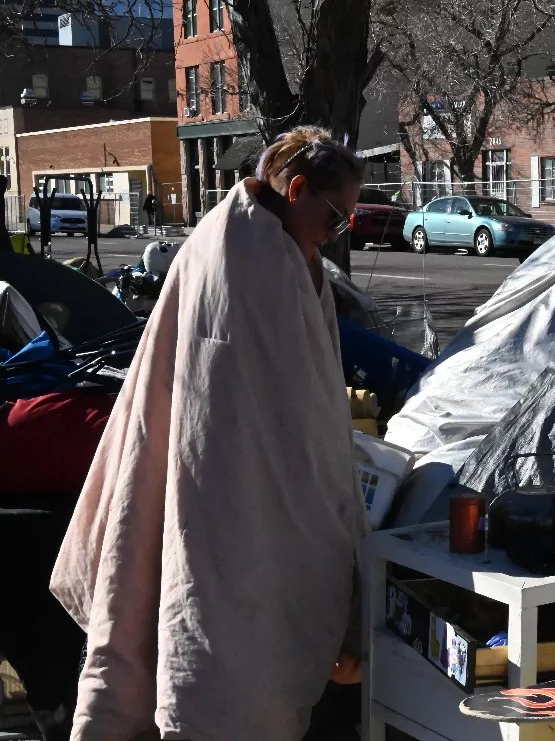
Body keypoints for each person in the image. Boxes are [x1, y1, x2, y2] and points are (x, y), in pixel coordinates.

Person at [50, 127, 368, 741]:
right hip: (223, 489)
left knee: (212, 630)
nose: (338, 231)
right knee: (222, 643)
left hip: (230, 482)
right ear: (296, 188)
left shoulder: (278, 246)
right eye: (335, 215)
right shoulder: (246, 249)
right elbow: (247, 409)